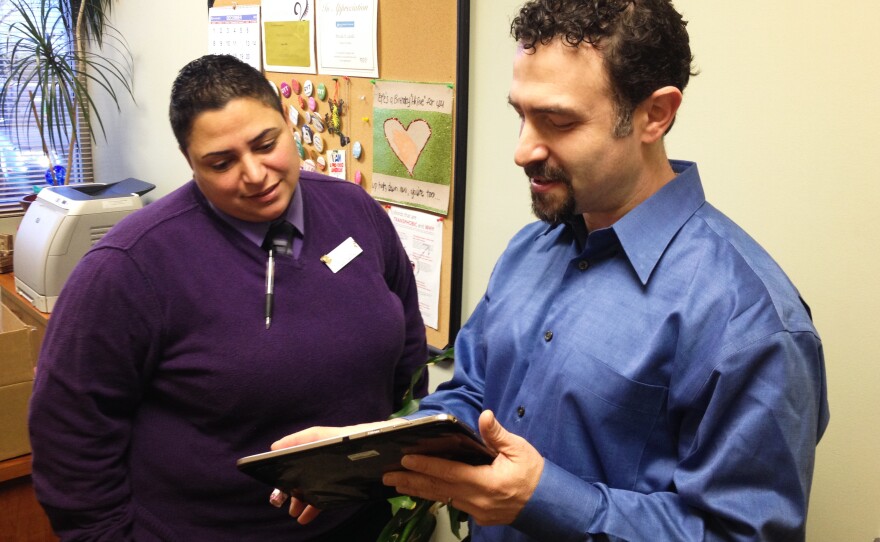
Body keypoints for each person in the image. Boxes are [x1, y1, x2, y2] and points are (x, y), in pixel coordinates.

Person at [273, 1, 830, 540]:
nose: (522, 150)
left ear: (654, 114)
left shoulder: (749, 321)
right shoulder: (530, 250)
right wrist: (363, 453)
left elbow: (744, 535)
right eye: (521, 114)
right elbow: (472, 397)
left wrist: (545, 500)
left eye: (558, 121)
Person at [28, 54, 428, 541]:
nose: (255, 174)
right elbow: (69, 438)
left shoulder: (354, 211)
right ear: (190, 163)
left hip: (360, 523)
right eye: (222, 163)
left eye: (266, 144)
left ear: (288, 124)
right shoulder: (127, 268)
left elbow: (407, 349)